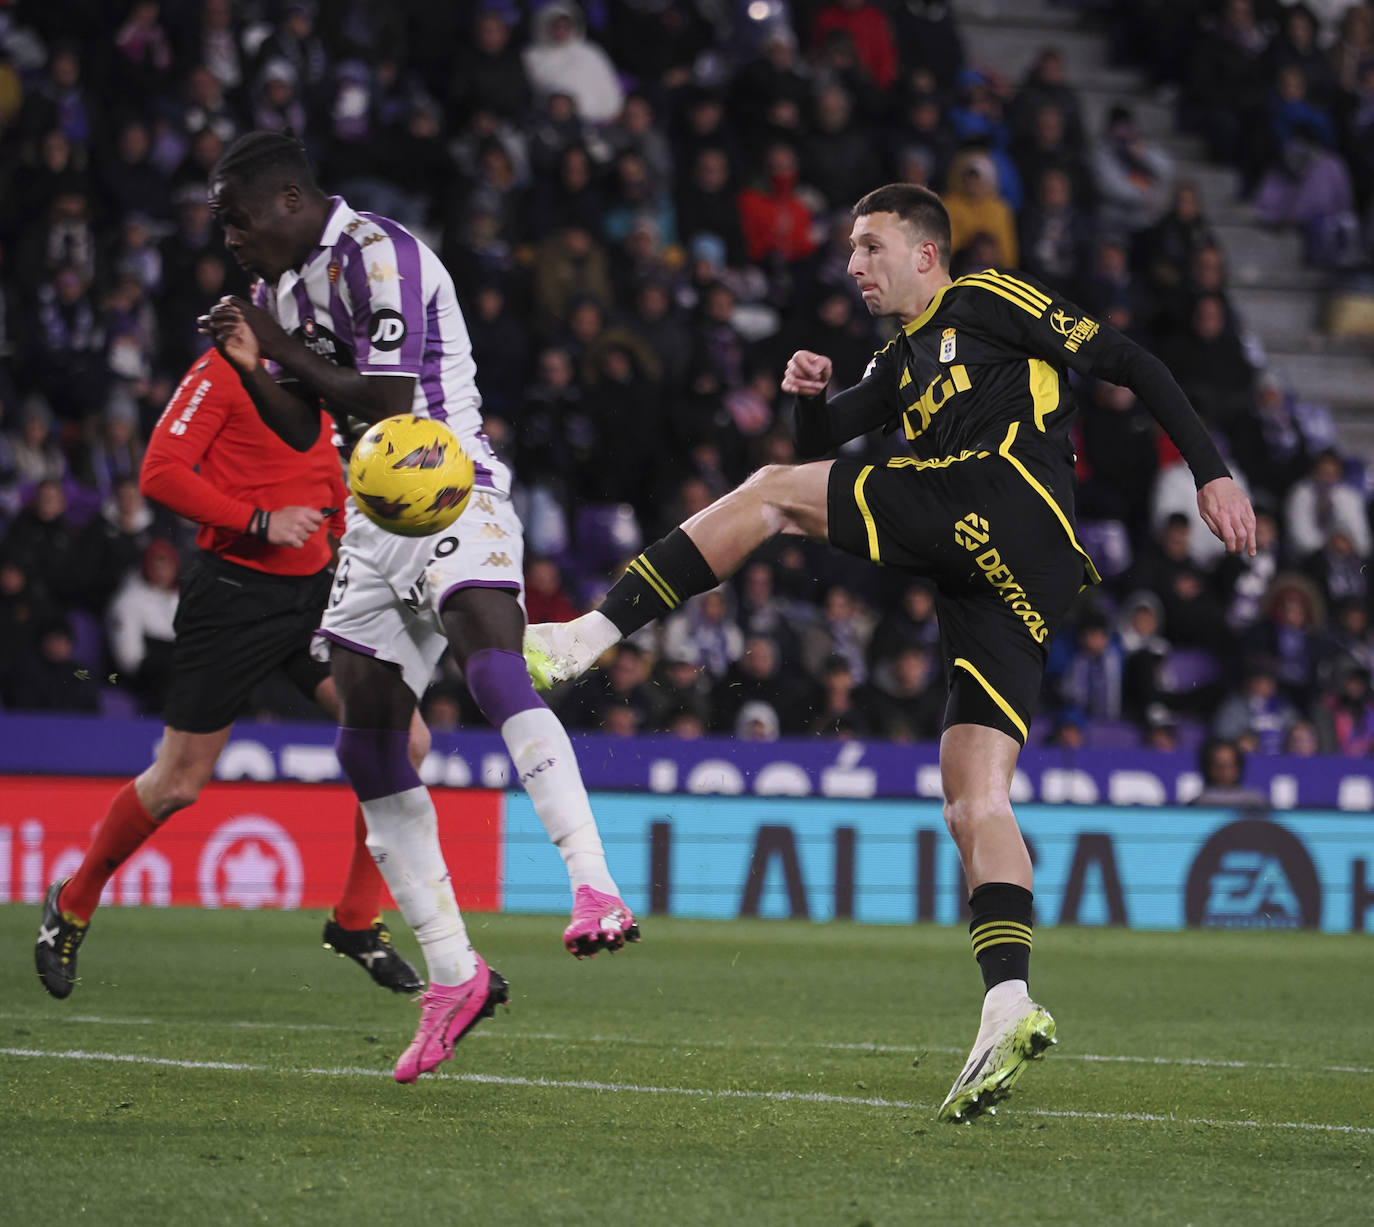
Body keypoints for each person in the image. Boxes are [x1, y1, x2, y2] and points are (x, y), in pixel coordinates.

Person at [525, 182, 1256, 1122]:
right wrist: (811, 397)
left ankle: (585, 637)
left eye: (871, 247)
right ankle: (1008, 1002)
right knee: (972, 795)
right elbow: (830, 436)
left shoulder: (988, 299)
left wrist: (1213, 471)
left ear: (926, 252)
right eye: (850, 252)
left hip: (1000, 501)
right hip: (1010, 578)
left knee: (765, 496)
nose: (854, 266)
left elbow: (1130, 361)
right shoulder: (902, 357)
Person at [198, 131, 637, 1084]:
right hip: (370, 517)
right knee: (365, 739)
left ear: (285, 198)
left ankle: (594, 884)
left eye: (235, 214)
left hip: (449, 483)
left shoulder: (379, 254)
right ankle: (453, 971)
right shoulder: (279, 293)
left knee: (492, 664)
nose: (226, 235)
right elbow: (306, 417)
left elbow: (390, 394)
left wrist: (268, 341)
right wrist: (247, 359)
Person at [34, 348, 426, 1002]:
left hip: (313, 596)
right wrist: (259, 520)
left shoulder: (324, 371)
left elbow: (329, 480)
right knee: (178, 782)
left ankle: (357, 919)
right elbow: (159, 473)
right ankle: (71, 905)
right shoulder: (226, 365)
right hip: (233, 599)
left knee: (401, 739)